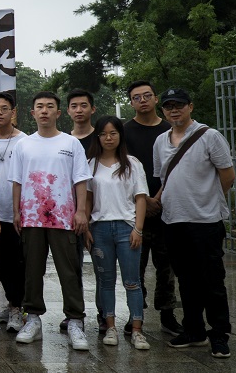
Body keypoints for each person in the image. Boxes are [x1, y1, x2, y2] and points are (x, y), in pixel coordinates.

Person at [153, 88, 235, 358]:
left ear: (190, 106)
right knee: (186, 280)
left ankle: (219, 334)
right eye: (168, 106)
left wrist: (207, 199)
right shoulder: (160, 141)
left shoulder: (210, 136)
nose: (174, 110)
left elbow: (227, 175)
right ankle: (194, 330)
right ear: (163, 111)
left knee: (212, 280)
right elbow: (164, 179)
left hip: (205, 220)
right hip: (173, 220)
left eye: (179, 105)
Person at [9, 91, 92, 351]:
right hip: (31, 217)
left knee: (69, 270)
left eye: (49, 106)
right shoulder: (23, 144)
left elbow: (81, 180)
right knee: (32, 270)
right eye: (40, 107)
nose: (44, 111)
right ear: (32, 113)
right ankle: (33, 318)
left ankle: (75, 320)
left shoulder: (71, 143)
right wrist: (16, 212)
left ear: (58, 112)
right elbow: (17, 181)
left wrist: (81, 211)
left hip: (64, 217)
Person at [123, 80, 183, 336]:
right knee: (134, 265)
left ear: (156, 99)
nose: (143, 100)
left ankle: (168, 314)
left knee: (166, 266)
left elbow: (175, 168)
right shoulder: (124, 131)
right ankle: (135, 313)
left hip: (167, 208)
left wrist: (156, 198)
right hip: (134, 209)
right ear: (131, 102)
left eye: (147, 95)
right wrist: (144, 199)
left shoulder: (170, 129)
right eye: (137, 97)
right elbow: (122, 167)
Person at [85, 115, 150, 350]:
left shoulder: (132, 164)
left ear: (120, 135)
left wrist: (138, 229)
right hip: (100, 228)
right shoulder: (90, 164)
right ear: (98, 137)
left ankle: (137, 330)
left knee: (132, 282)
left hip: (126, 228)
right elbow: (88, 198)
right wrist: (86, 228)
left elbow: (140, 198)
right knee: (105, 281)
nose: (108, 138)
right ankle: (110, 326)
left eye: (113, 133)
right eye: (103, 134)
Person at [0, 93, 26, 333]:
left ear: (13, 112)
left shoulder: (25, 141)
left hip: (17, 213)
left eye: (4, 108)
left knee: (17, 263)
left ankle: (17, 307)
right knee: (0, 264)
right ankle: (13, 304)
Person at [65, 88, 102, 332]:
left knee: (103, 269)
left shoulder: (103, 138)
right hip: (73, 213)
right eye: (74, 106)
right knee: (73, 267)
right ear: (68, 111)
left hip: (102, 211)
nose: (79, 110)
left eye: (84, 105)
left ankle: (105, 314)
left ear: (92, 109)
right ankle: (74, 314)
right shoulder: (64, 141)